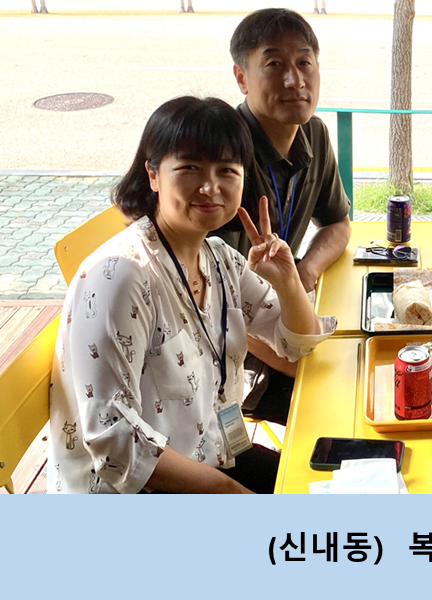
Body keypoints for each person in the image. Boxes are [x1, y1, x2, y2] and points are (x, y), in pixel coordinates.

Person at [49, 96, 336, 494]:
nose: (210, 186)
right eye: (189, 168)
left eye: (227, 170)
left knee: (331, 482)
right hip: (136, 490)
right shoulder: (122, 277)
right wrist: (233, 494)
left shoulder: (218, 258)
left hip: (214, 455)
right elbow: (116, 444)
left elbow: (296, 345)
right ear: (153, 175)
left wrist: (287, 281)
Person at [216, 8, 351, 425]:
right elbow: (213, 305)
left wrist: (304, 272)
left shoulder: (314, 134)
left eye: (304, 62)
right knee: (343, 399)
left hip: (285, 313)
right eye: (274, 64)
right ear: (241, 77)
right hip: (232, 352)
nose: (294, 80)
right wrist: (293, 361)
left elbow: (338, 224)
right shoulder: (222, 159)